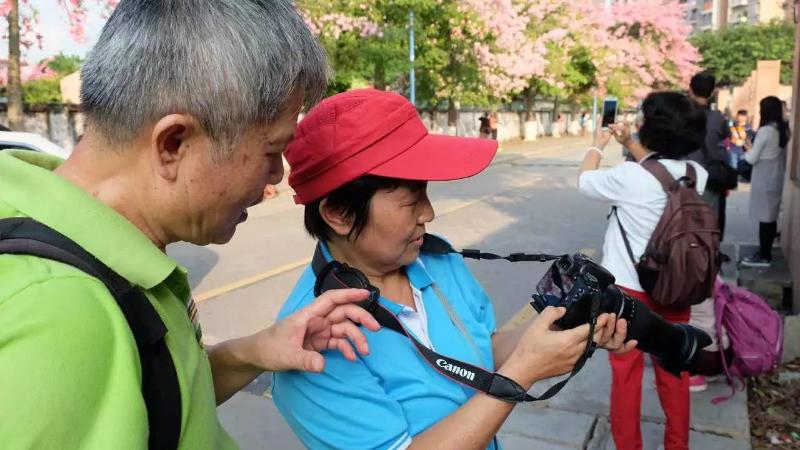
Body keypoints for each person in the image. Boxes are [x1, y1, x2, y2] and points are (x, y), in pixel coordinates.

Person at [0, 2, 382, 448]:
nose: (277, 176)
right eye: (270, 150)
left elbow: (158, 404)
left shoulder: (93, 244)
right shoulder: (60, 318)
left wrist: (254, 351)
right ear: (173, 143)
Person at [272, 89, 634, 450]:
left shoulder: (436, 260)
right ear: (338, 212)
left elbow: (483, 346)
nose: (427, 213)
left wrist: (562, 331)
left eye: (426, 194)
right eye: (411, 200)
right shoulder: (309, 344)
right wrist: (521, 374)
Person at [577, 91, 708, 450]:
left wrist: (598, 145)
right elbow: (661, 173)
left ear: (652, 129)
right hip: (678, 286)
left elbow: (584, 180)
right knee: (674, 371)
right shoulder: (698, 174)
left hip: (629, 294)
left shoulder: (628, 177)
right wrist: (632, 142)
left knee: (626, 376)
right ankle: (678, 445)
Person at [741, 96, 792, 267]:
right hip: (776, 178)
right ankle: (765, 252)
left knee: (764, 219)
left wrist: (747, 150)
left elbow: (752, 158)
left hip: (763, 179)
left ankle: (764, 256)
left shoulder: (765, 131)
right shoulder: (782, 129)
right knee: (770, 218)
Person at [687, 72, 731, 238]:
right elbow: (726, 139)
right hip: (710, 177)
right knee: (709, 223)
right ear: (712, 93)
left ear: (691, 90)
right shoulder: (718, 118)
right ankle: (707, 257)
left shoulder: (682, 116)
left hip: (685, 175)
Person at [729, 110, 755, 181]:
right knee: (733, 167)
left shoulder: (748, 128)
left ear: (746, 117)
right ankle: (733, 180)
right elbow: (728, 137)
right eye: (740, 116)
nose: (741, 118)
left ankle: (741, 180)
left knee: (742, 167)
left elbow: (750, 138)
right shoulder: (732, 126)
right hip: (733, 150)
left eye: (743, 116)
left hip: (743, 151)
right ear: (737, 116)